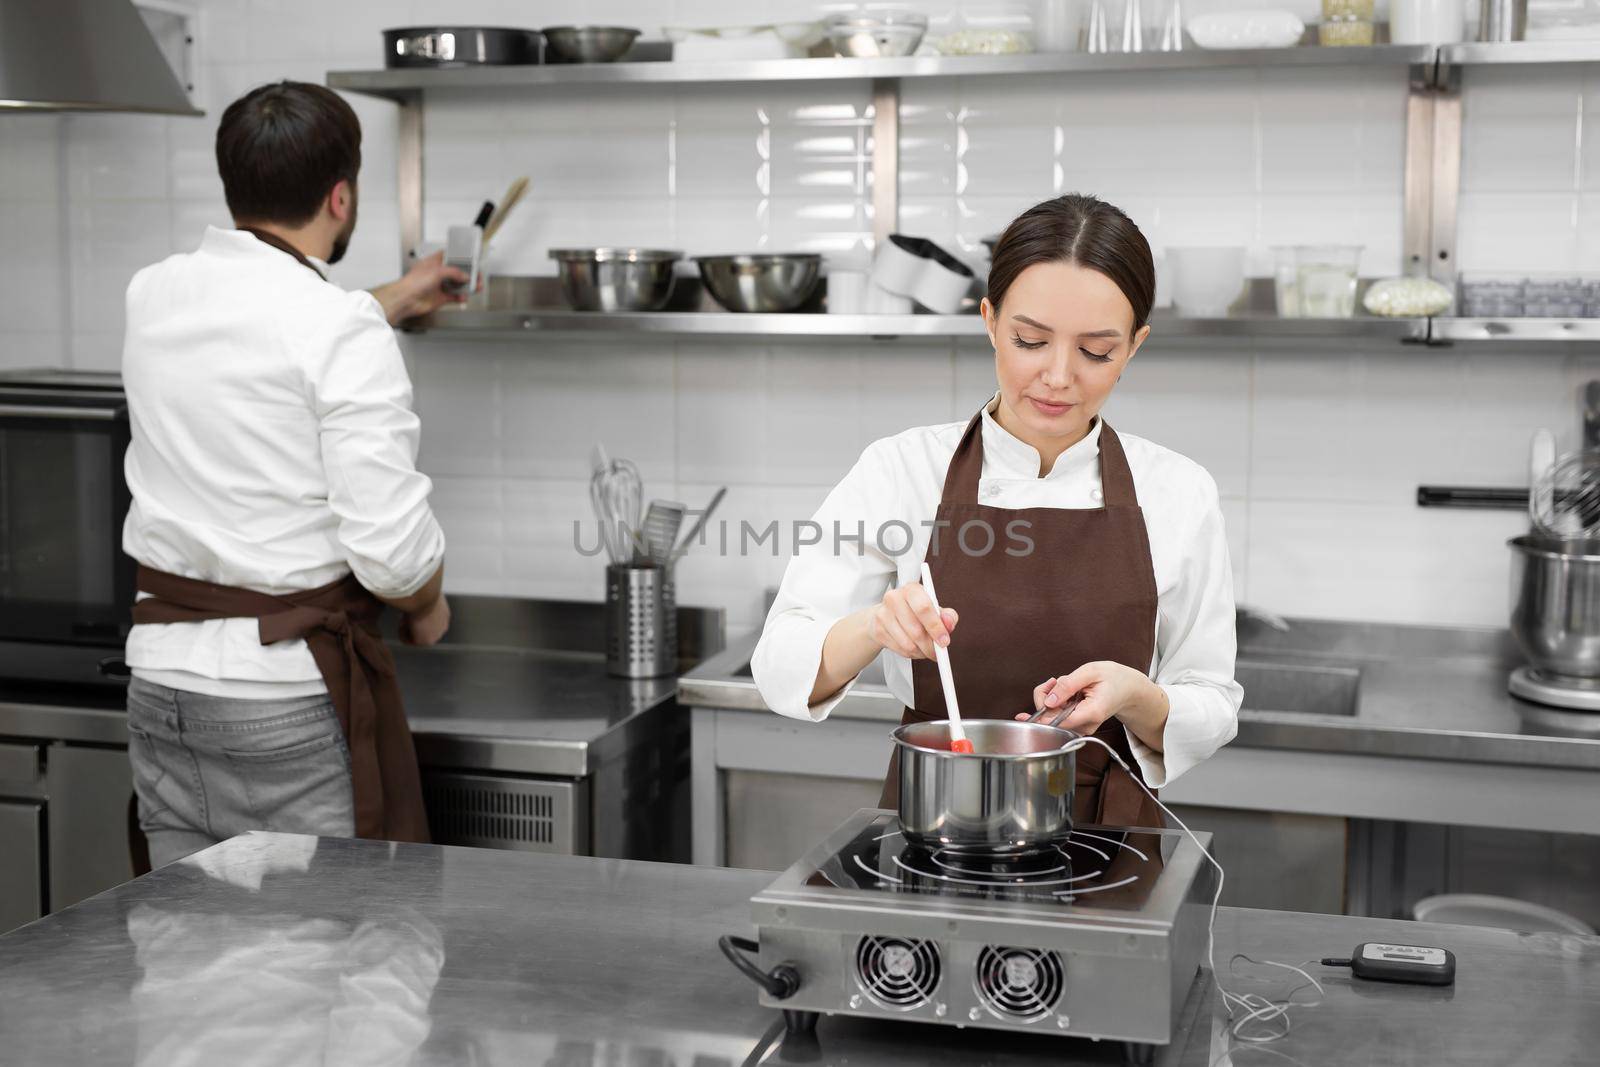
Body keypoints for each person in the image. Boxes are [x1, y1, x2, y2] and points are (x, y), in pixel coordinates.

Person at [752, 194, 1243, 828]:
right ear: (989, 321)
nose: (1059, 376)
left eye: (1097, 352)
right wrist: (876, 626)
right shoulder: (901, 469)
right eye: (1030, 341)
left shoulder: (1179, 491)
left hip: (1105, 834)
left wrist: (1136, 695)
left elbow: (1212, 701)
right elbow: (780, 664)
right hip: (933, 820)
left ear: (1135, 346)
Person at [121, 81, 462, 867]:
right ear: (341, 196)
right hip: (280, 701)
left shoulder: (153, 294)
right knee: (321, 972)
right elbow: (393, 553)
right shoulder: (337, 328)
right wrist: (428, 604)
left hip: (162, 684)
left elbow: (260, 337)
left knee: (189, 960)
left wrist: (393, 299)